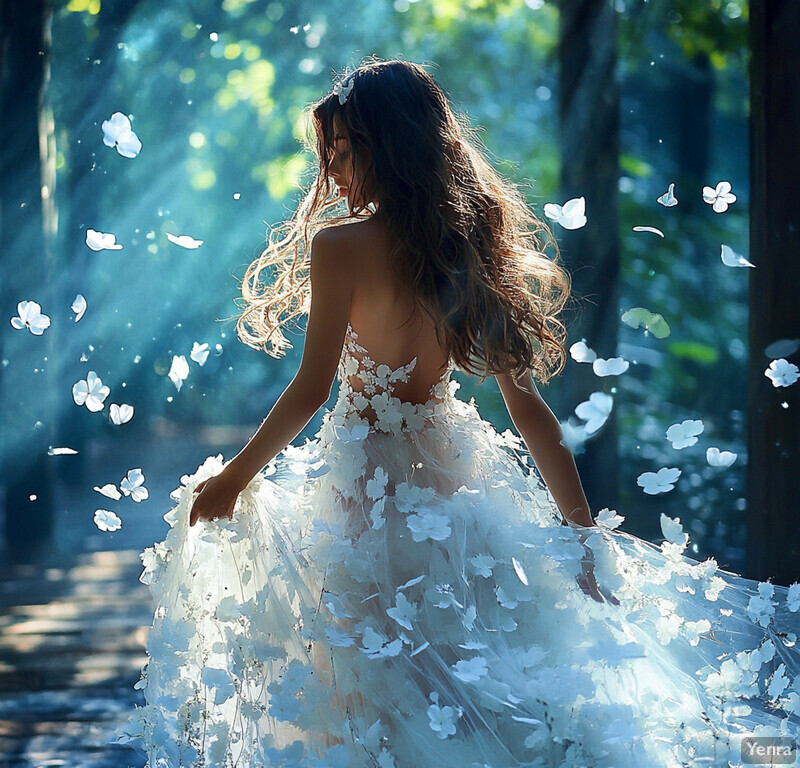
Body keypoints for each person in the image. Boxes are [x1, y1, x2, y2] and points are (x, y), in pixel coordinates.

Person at [115, 59, 800, 768]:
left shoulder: (341, 247)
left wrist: (236, 475)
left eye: (346, 150)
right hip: (458, 494)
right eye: (330, 155)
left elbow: (312, 388)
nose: (335, 171)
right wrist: (581, 541)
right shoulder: (465, 247)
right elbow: (532, 417)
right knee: (466, 664)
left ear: (390, 145)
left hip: (363, 493)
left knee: (372, 673)